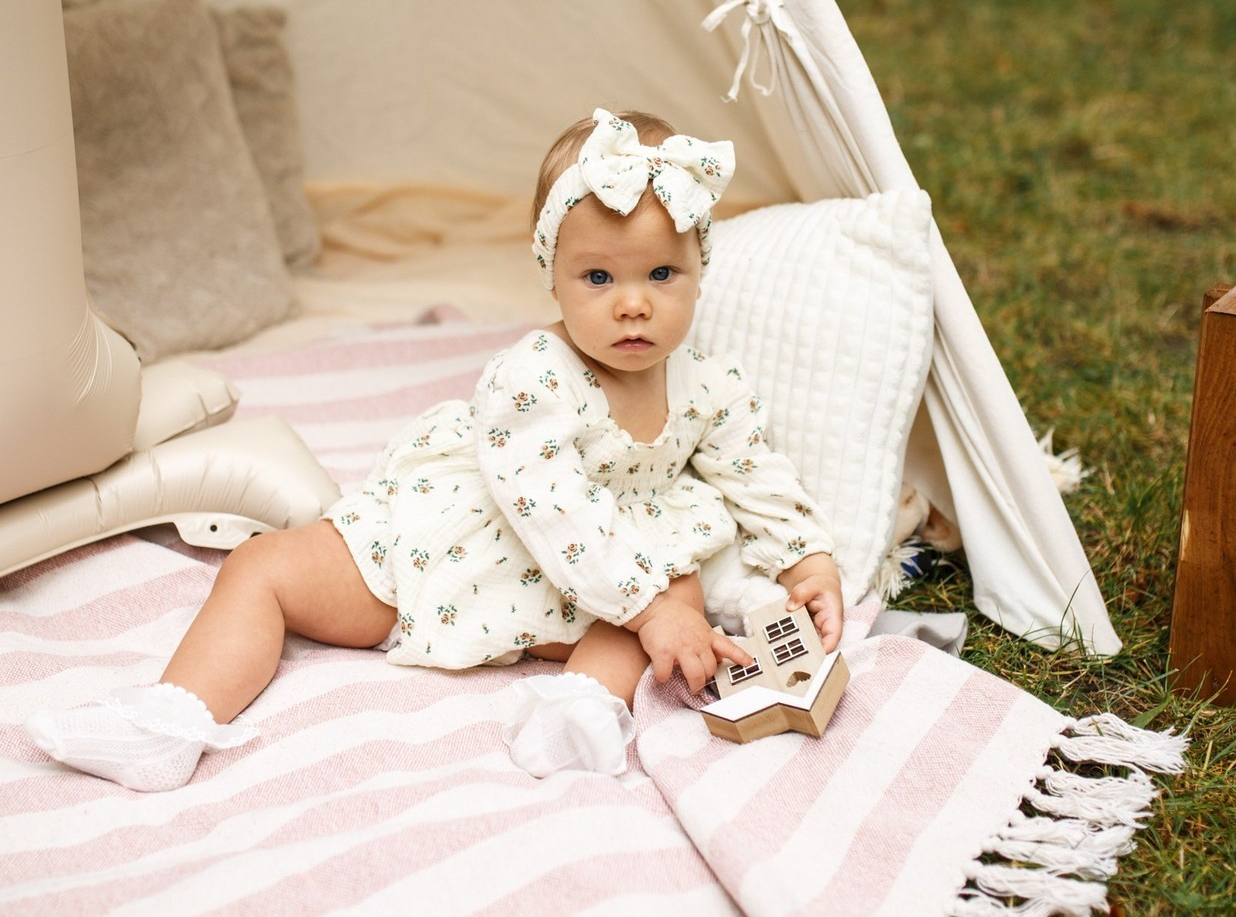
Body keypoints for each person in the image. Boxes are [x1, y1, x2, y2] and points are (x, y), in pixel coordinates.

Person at [27, 109, 842, 790]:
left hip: (593, 590)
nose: (633, 306)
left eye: (662, 273)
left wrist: (805, 559)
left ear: (701, 269)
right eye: (599, 279)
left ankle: (581, 710)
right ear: (551, 273)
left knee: (676, 587)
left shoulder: (711, 387)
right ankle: (173, 717)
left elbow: (754, 475)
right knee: (262, 567)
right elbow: (546, 498)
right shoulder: (531, 374)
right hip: (463, 548)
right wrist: (649, 601)